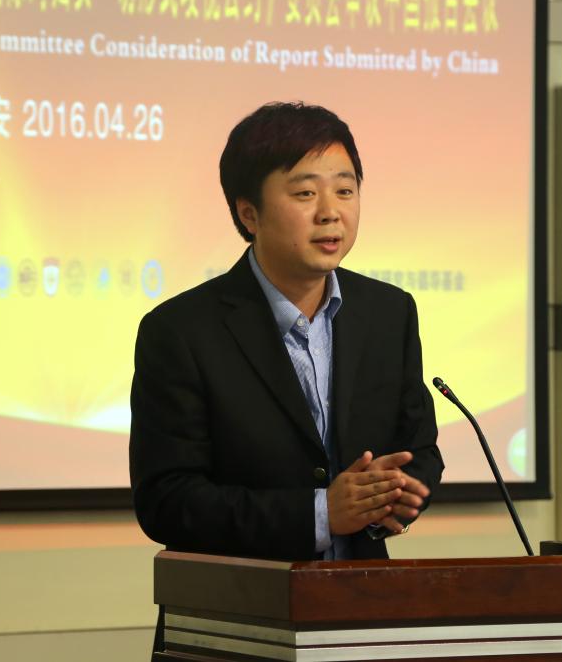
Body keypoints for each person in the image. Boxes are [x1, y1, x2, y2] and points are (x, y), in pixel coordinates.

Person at [129, 102, 443, 565]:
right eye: (305, 194)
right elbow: (168, 502)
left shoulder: (388, 313)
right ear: (249, 214)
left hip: (364, 598)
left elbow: (418, 450)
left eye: (345, 190)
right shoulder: (181, 331)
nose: (330, 213)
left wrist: (388, 497)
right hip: (243, 601)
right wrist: (320, 514)